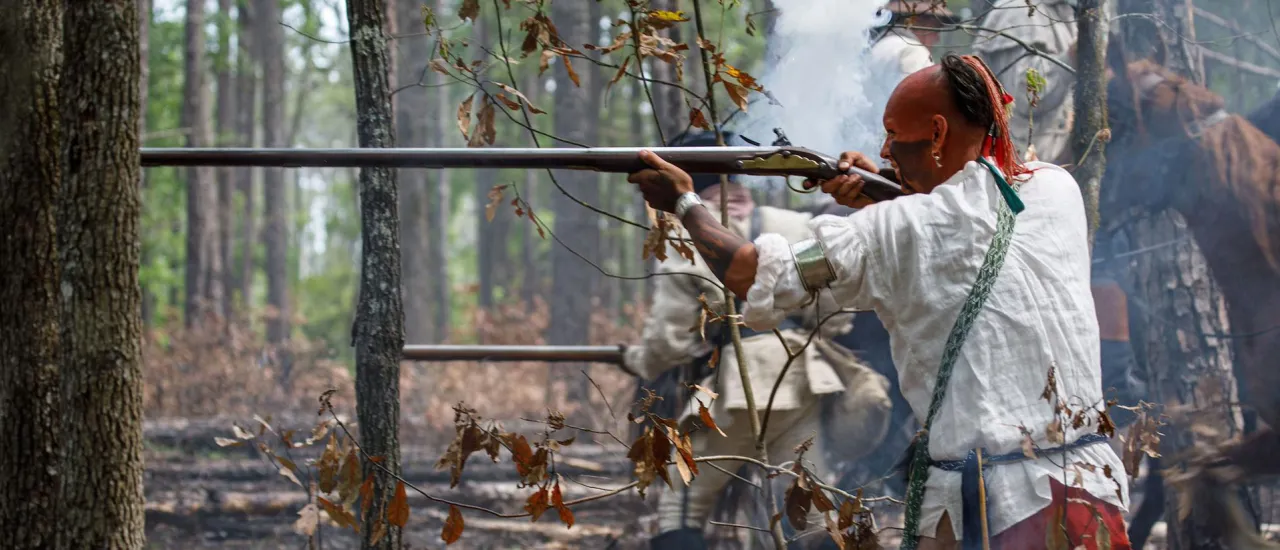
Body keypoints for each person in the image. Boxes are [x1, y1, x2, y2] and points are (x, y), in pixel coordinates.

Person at [628, 53, 1131, 549]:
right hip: (1088, 486)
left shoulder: (895, 228)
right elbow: (961, 226)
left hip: (991, 505)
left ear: (937, 133)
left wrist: (684, 202)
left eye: (894, 135)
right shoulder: (1056, 188)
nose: (885, 151)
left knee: (685, 505)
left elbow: (750, 273)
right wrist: (885, 194)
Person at [623, 130, 893, 550]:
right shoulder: (796, 225)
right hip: (803, 379)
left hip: (734, 386)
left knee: (681, 505)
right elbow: (837, 314)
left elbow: (669, 340)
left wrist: (638, 361)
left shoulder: (684, 237)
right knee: (812, 513)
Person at [971, 0, 1079, 164]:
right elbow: (1026, 98)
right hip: (1016, 167)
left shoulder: (1065, 12)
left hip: (1051, 163)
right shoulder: (1016, 10)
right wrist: (1071, 56)